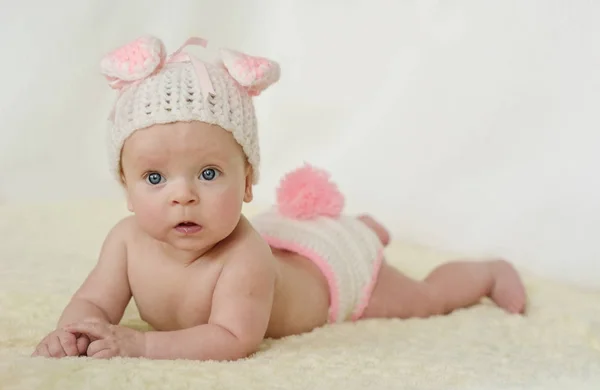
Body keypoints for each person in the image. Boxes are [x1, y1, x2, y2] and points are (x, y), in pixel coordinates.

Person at [32, 35, 526, 361]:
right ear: (125, 187)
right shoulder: (125, 241)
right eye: (155, 179)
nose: (182, 195)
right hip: (288, 242)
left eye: (208, 173)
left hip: (334, 278)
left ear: (247, 182)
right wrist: (74, 332)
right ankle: (360, 223)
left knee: (424, 300)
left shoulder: (242, 256)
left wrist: (139, 345)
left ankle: (483, 272)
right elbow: (95, 299)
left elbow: (233, 337)